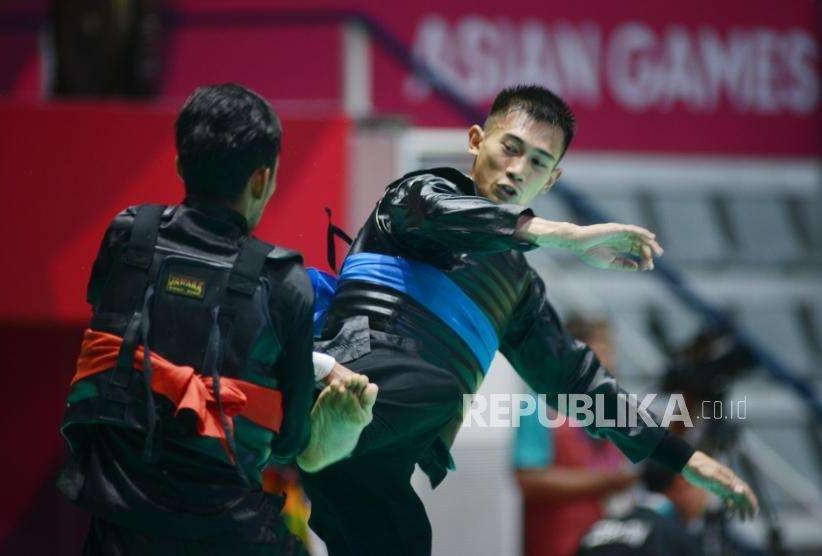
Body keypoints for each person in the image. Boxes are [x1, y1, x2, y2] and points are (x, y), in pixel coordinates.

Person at [301, 85, 758, 555]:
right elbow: (443, 216)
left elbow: (578, 381)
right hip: (358, 376)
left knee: (403, 541)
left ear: (552, 179)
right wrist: (566, 236)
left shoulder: (517, 289)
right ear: (477, 140)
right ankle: (323, 430)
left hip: (387, 455)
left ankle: (328, 444)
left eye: (538, 162)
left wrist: (683, 458)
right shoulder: (416, 194)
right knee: (402, 391)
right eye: (510, 148)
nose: (518, 170)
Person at [56, 83, 376, 555]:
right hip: (229, 535)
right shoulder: (284, 283)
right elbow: (288, 444)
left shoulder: (128, 237)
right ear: (262, 180)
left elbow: (122, 343)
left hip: (115, 533)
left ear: (180, 163)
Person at [514, 315, 636, 556]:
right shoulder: (538, 404)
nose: (610, 363)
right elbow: (529, 479)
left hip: (604, 543)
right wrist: (607, 481)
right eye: (601, 356)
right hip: (555, 544)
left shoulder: (609, 407)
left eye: (611, 353)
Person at [577, 462, 709, 556]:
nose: (706, 495)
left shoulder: (595, 530)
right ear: (682, 481)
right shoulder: (678, 539)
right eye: (706, 484)